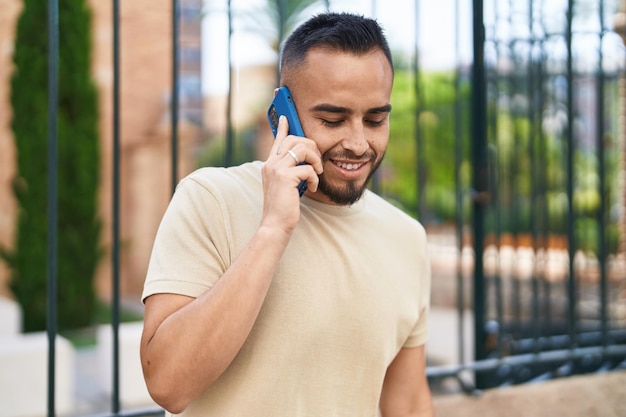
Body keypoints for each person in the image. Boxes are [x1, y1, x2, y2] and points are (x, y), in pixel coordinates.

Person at [140, 12, 434, 417]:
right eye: (333, 119)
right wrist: (273, 229)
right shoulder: (210, 199)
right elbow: (167, 384)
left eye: (375, 119)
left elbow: (408, 401)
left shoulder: (407, 237)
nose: (358, 142)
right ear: (283, 112)